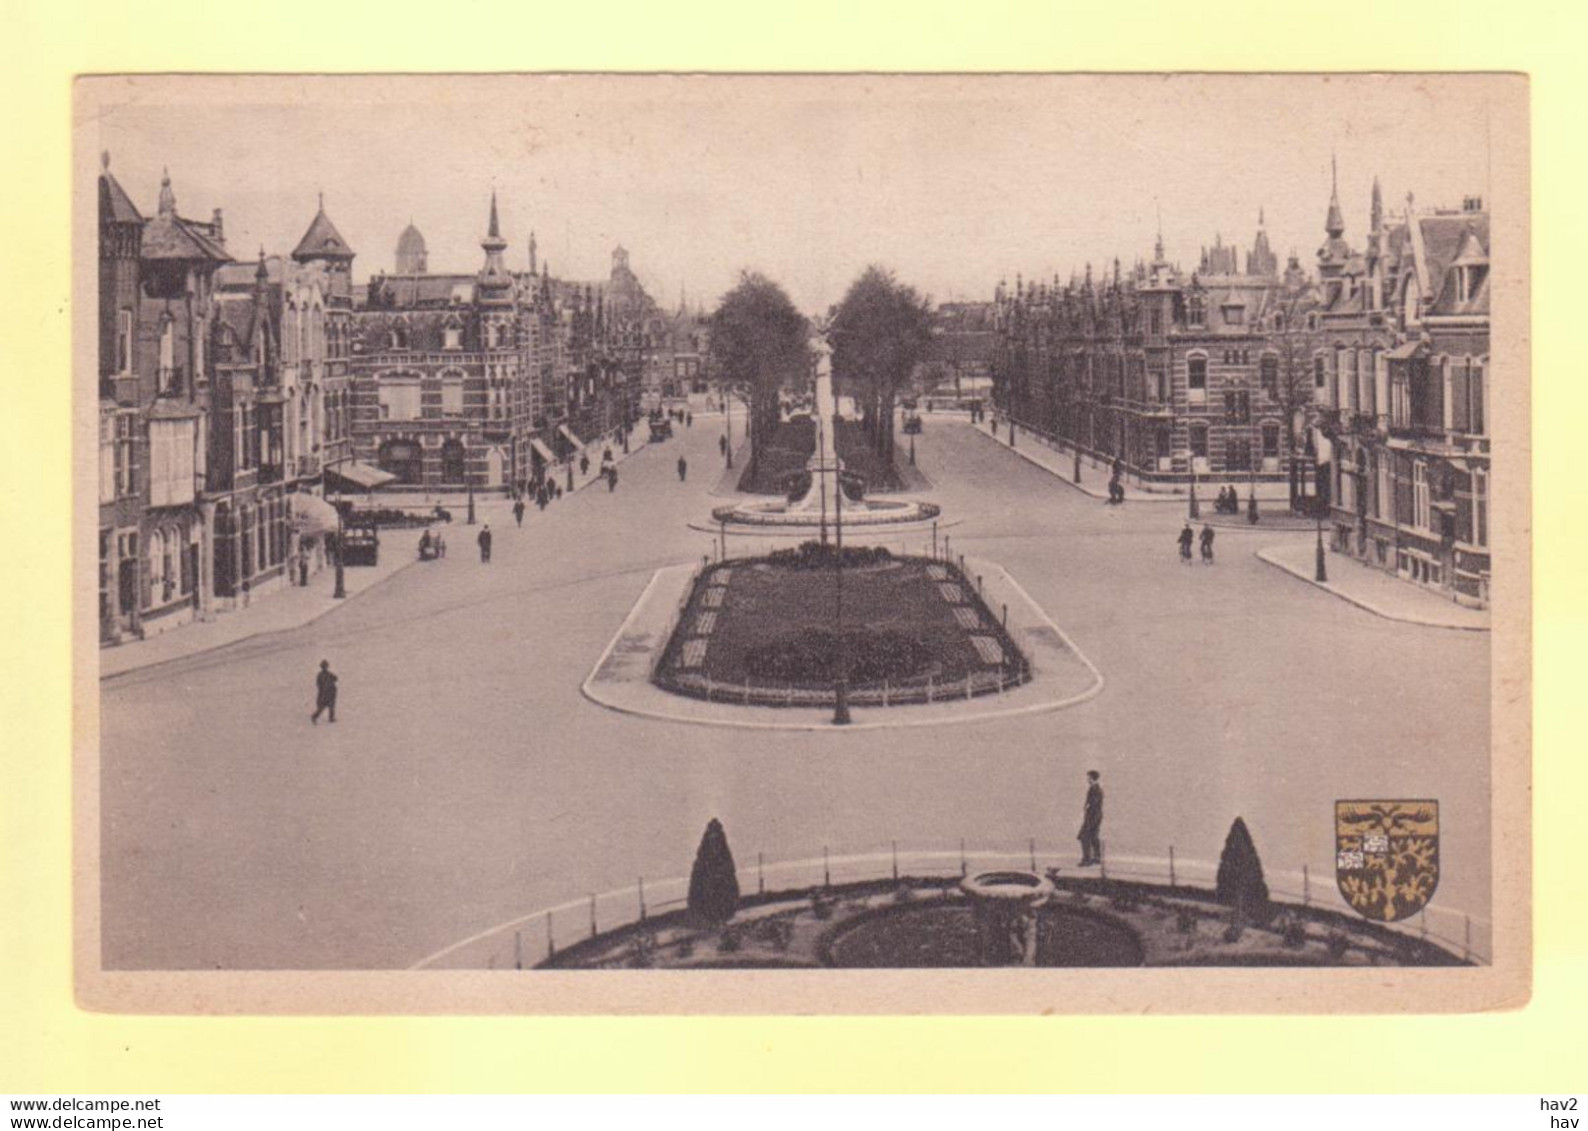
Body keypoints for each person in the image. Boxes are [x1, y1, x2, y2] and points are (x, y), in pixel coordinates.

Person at [1077, 770, 1103, 866]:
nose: (1087, 779)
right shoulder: (1095, 788)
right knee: (1093, 836)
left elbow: (1094, 804)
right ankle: (1097, 857)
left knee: (1084, 837)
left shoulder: (1095, 789)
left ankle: (1087, 859)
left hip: (1092, 817)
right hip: (1096, 816)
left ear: (1092, 778)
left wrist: (1087, 808)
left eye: (1088, 778)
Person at [310, 660, 338, 725]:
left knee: (331, 706)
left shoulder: (328, 674)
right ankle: (315, 716)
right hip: (325, 693)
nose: (325, 667)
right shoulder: (322, 675)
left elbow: (336, 678)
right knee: (323, 706)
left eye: (326, 666)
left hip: (330, 692)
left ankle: (331, 718)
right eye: (324, 666)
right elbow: (319, 684)